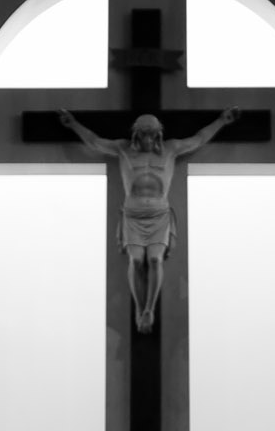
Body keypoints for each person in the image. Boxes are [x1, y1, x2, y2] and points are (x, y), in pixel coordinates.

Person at [58, 108, 238, 330]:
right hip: (133, 215)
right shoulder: (123, 150)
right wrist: (73, 124)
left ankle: (149, 309)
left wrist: (221, 121)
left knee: (154, 260)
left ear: (158, 135)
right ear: (136, 134)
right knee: (135, 260)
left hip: (158, 215)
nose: (148, 138)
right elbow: (95, 142)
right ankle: (137, 308)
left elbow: (198, 139)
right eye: (144, 134)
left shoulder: (170, 150)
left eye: (152, 134)